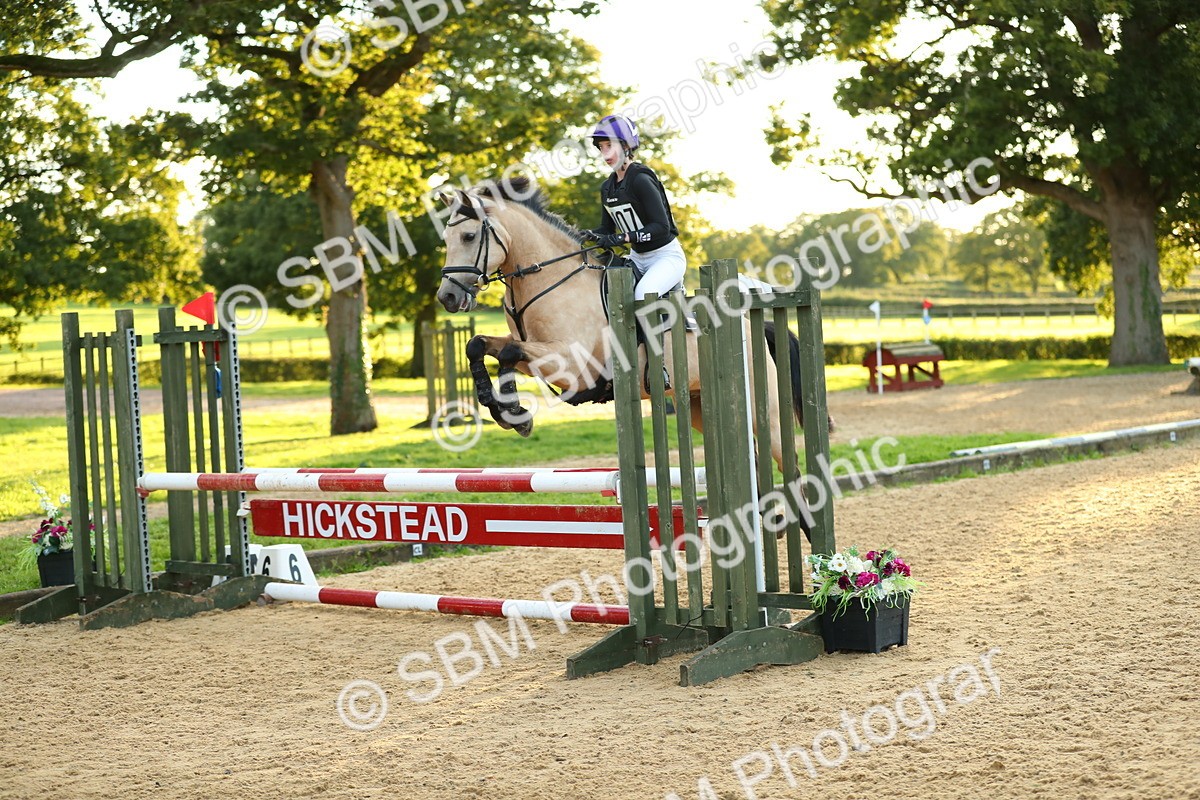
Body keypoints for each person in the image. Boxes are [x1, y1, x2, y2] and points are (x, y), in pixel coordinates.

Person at [587, 114, 685, 389]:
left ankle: (658, 367)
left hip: (666, 256)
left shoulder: (641, 179)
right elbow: (607, 230)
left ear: (626, 145)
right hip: (639, 259)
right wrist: (589, 236)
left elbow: (661, 227)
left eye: (609, 146)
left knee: (642, 295)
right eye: (601, 147)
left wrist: (624, 236)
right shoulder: (608, 187)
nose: (604, 153)